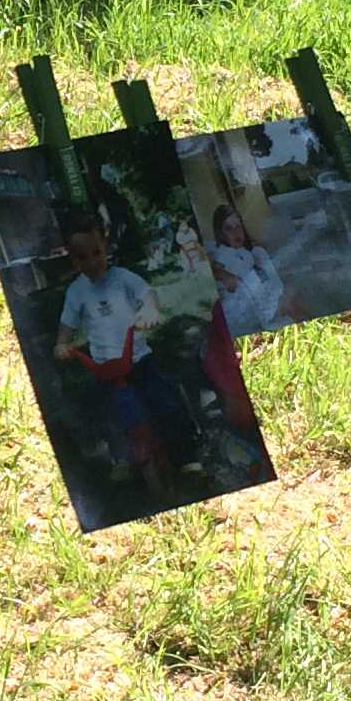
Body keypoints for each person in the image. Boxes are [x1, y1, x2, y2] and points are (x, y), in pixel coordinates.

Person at [50, 212, 202, 494]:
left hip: (139, 358)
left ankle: (187, 457)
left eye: (97, 253)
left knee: (165, 402)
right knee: (112, 414)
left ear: (105, 248)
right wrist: (62, 343)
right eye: (82, 257)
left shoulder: (122, 278)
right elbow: (67, 325)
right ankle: (122, 457)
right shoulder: (76, 292)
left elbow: (146, 294)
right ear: (73, 260)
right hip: (106, 368)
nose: (92, 262)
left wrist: (150, 309)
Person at [208, 204, 290, 337]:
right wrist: (223, 274)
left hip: (263, 298)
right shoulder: (224, 253)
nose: (236, 232)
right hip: (247, 308)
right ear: (221, 233)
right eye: (229, 228)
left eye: (238, 226)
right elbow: (215, 269)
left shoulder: (246, 252)